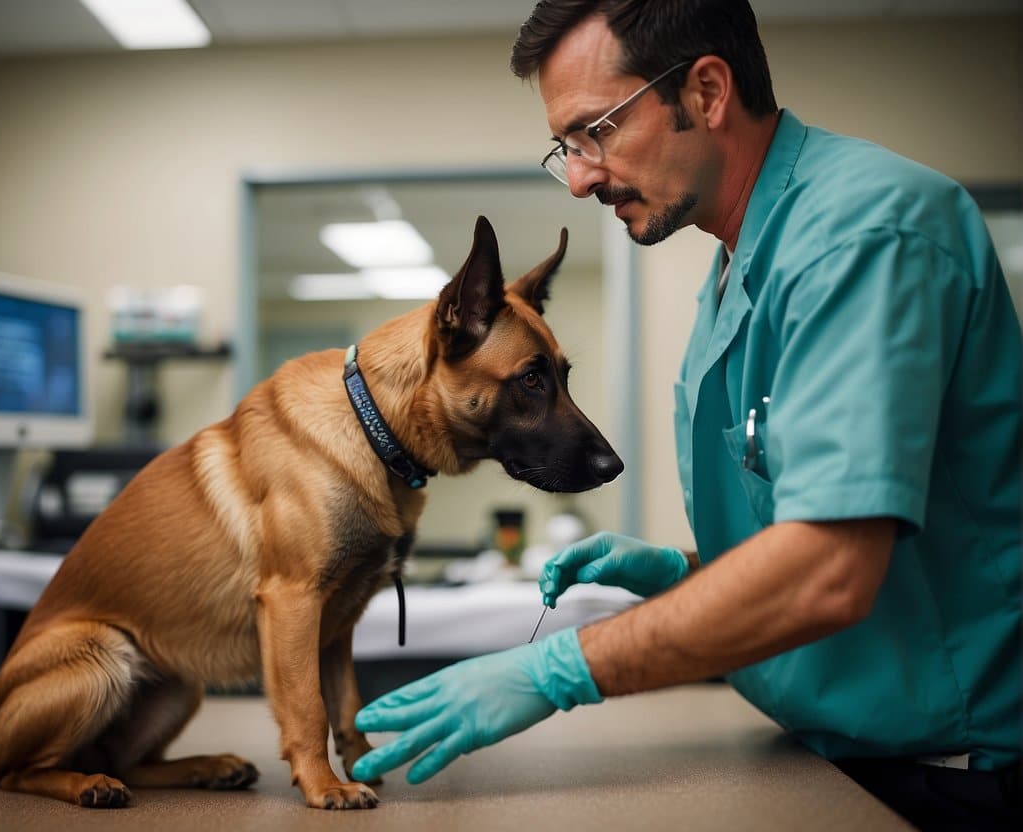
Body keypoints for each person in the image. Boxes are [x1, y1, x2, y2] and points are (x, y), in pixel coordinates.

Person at [351, 2, 1022, 829]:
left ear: (705, 91)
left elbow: (830, 569)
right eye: (564, 147)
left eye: (593, 132)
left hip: (951, 771)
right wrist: (685, 569)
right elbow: (819, 523)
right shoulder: (738, 265)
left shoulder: (860, 234)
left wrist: (556, 670)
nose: (579, 176)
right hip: (829, 743)